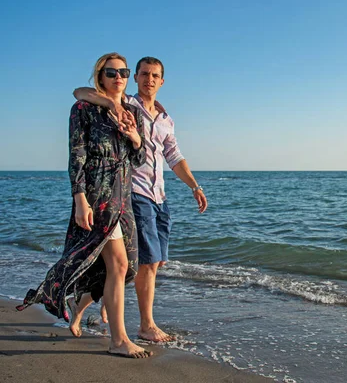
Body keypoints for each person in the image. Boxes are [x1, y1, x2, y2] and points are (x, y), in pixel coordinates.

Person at [17, 53, 152, 358]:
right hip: (97, 193)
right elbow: (76, 154)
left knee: (127, 268)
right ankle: (118, 340)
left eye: (123, 72)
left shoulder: (135, 113)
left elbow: (140, 160)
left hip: (124, 195)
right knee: (117, 264)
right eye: (111, 72)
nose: (118, 77)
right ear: (100, 76)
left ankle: (78, 307)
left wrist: (135, 139)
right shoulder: (84, 108)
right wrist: (80, 198)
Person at [73, 56, 208, 342]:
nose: (149, 79)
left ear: (162, 81)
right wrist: (111, 103)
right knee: (145, 263)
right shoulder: (125, 104)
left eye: (155, 75)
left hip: (159, 194)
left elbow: (174, 156)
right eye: (144, 74)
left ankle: (82, 302)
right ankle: (146, 325)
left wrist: (194, 186)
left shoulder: (165, 119)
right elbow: (81, 93)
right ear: (135, 77)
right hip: (132, 193)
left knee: (150, 264)